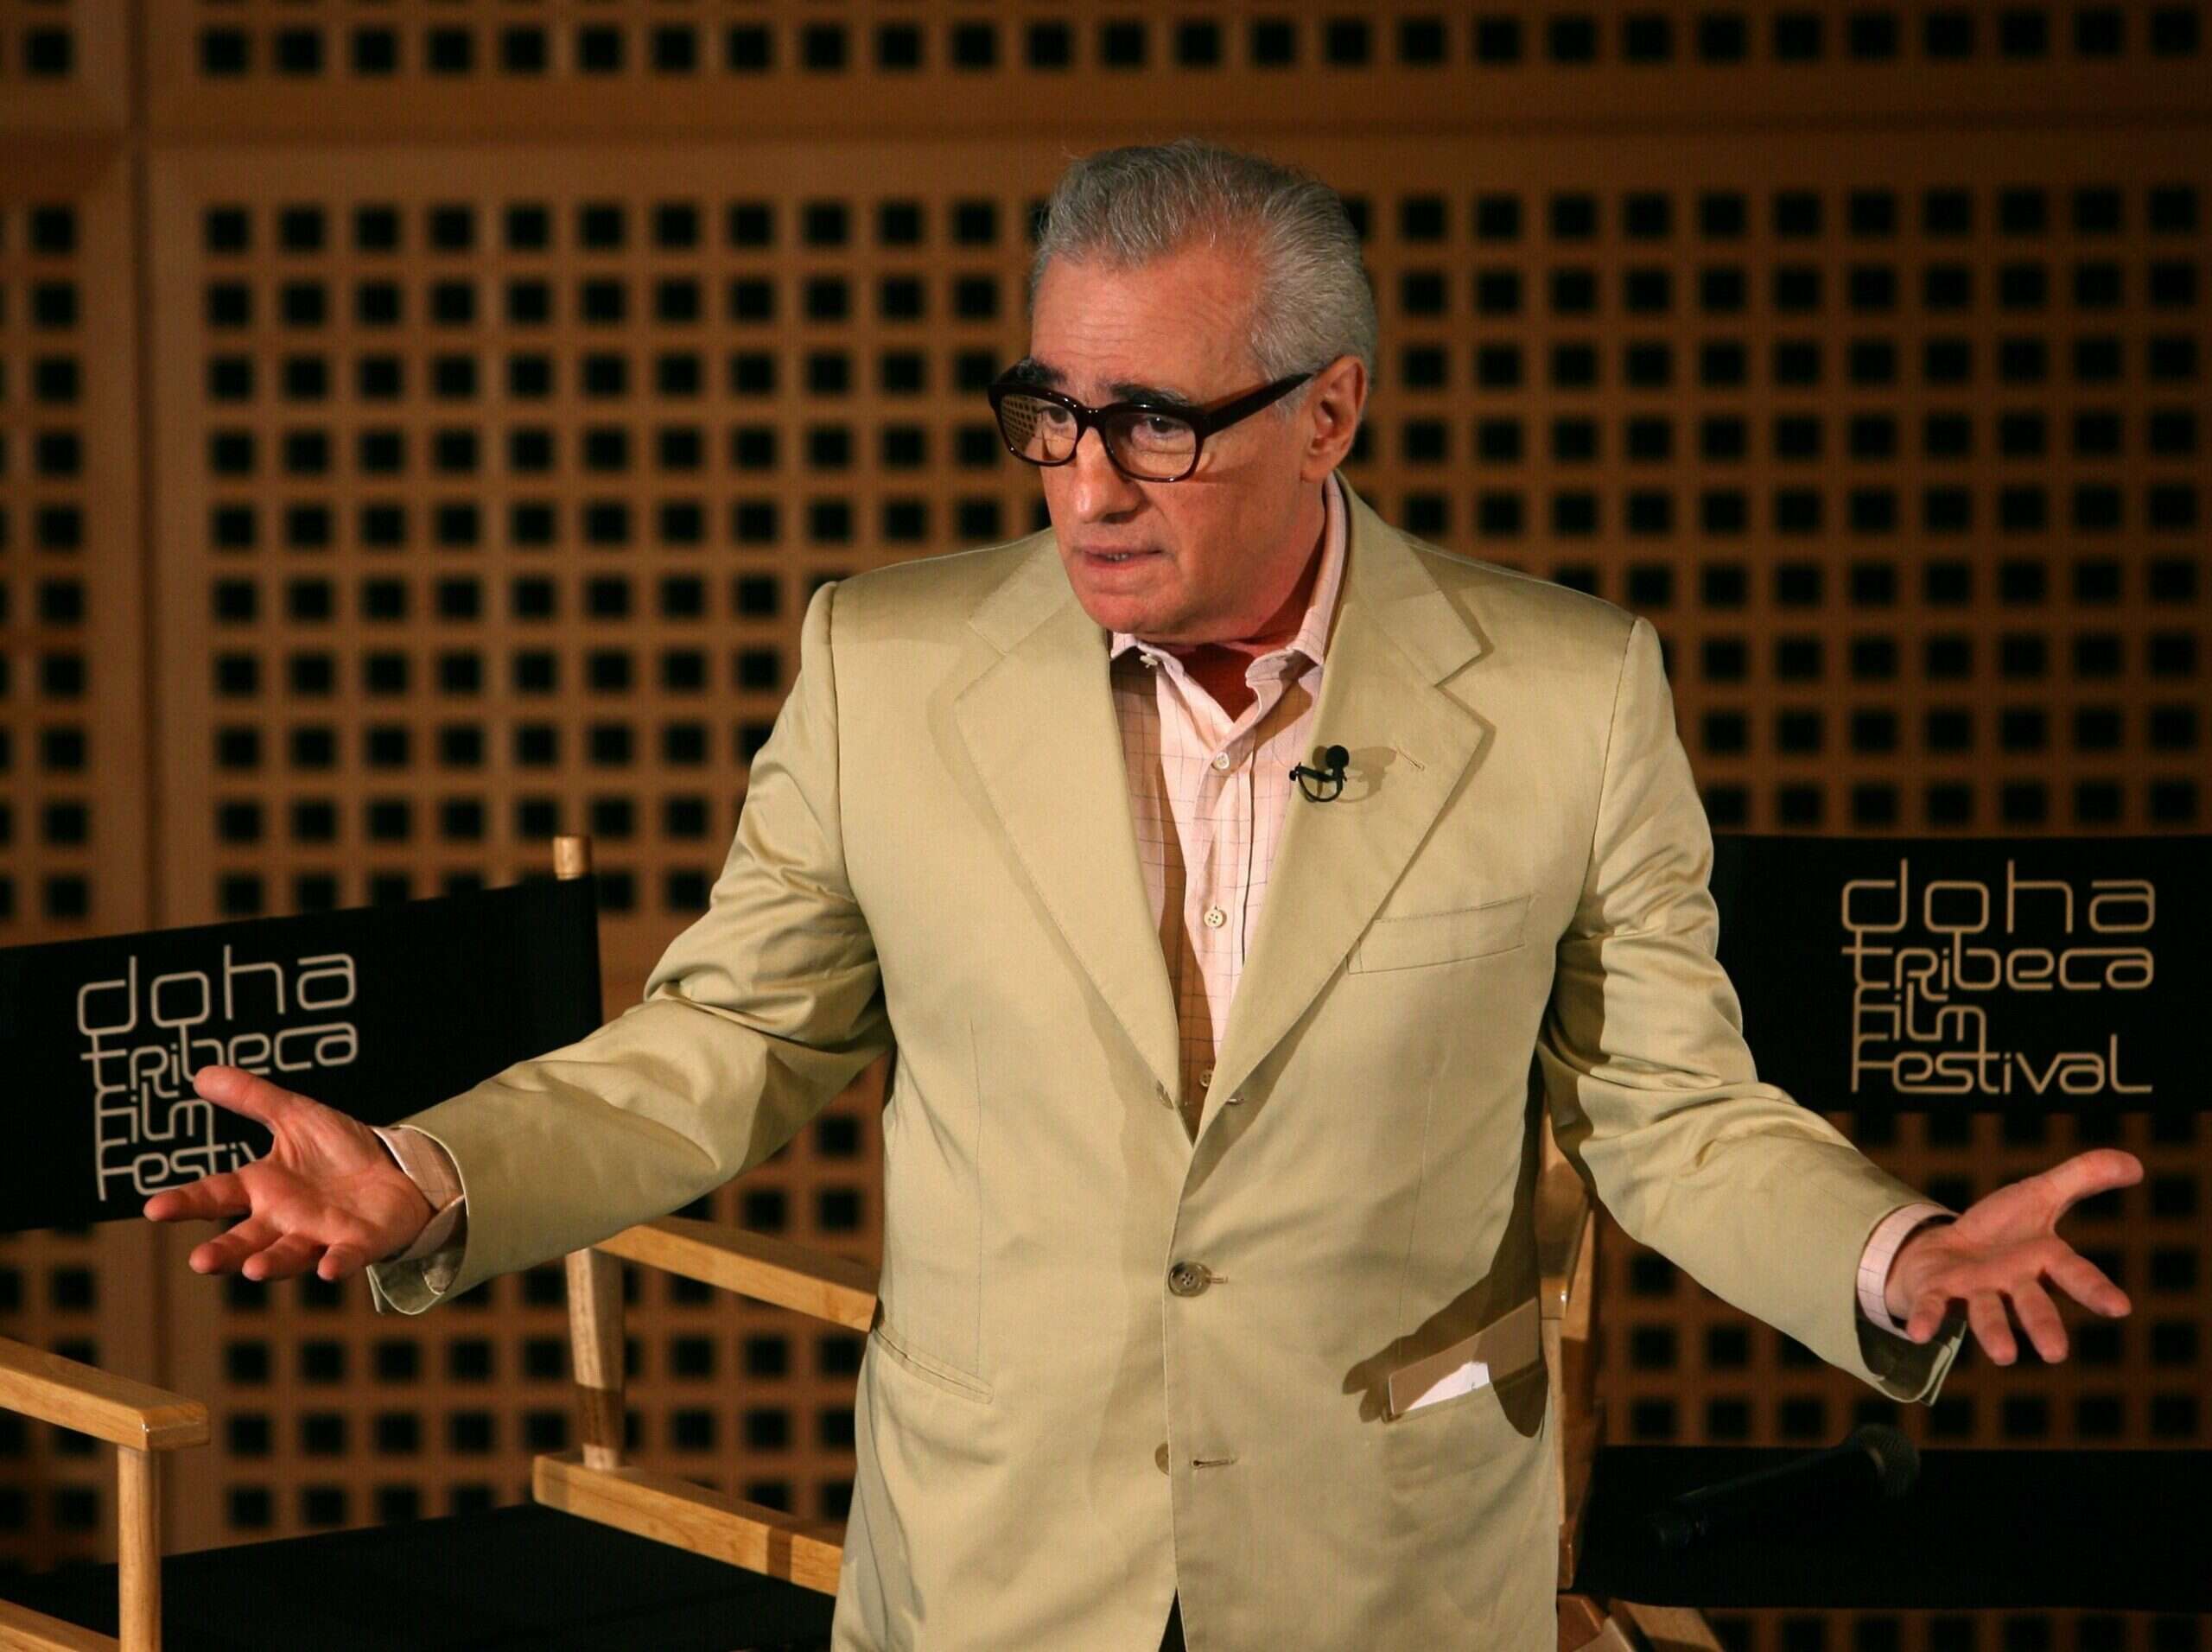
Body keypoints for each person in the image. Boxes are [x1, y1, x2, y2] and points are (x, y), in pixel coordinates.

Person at [145, 141, 2139, 1650]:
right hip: (995, 1560)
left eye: (1154, 425)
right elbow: (726, 1038)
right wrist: (436, 1171)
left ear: (1327, 413)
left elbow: (1664, 1103)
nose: (1084, 483)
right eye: (1049, 411)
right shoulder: (883, 664)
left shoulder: (1563, 691)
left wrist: (1888, 1251)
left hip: (1383, 1561)